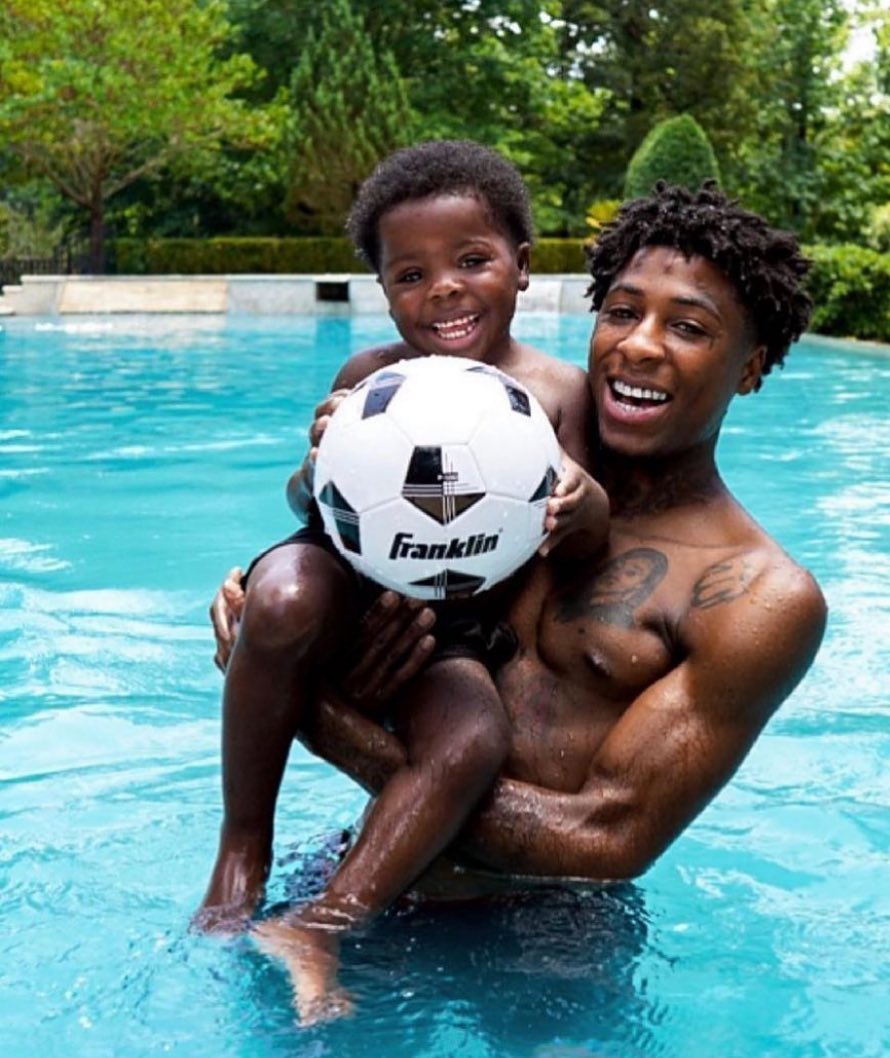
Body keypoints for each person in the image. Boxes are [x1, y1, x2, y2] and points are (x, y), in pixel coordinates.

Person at [211, 181, 828, 1025]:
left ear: (750, 369)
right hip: (364, 870)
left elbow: (604, 843)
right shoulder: (481, 463)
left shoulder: (758, 595)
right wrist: (270, 634)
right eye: (621, 313)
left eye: (687, 327)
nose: (639, 347)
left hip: (546, 942)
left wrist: (321, 718)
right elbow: (335, 548)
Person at [195, 140, 609, 944]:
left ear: (521, 266)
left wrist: (585, 507)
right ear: (383, 292)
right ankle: (242, 845)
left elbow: (583, 551)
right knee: (279, 600)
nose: (444, 288)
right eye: (410, 275)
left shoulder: (559, 393)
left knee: (472, 738)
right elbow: (307, 504)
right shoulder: (371, 373)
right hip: (337, 574)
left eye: (472, 260)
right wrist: (319, 460)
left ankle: (325, 919)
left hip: (447, 621)